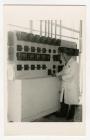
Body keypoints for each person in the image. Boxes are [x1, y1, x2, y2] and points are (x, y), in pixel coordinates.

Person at [55, 45, 80, 121]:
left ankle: (71, 115)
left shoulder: (74, 64)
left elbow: (71, 75)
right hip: (66, 85)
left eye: (63, 55)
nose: (62, 56)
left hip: (71, 86)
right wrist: (56, 74)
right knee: (63, 100)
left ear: (66, 55)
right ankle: (63, 113)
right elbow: (64, 71)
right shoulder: (67, 63)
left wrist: (61, 78)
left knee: (72, 102)